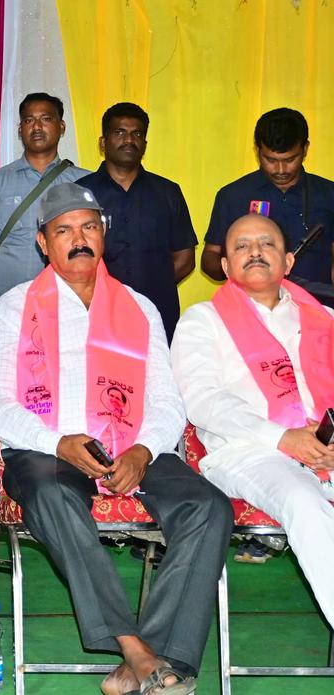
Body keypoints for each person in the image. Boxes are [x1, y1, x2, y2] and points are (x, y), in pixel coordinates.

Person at [0, 182, 233, 695]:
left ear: (103, 234)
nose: (79, 239)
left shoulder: (139, 307)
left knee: (209, 507)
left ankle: (156, 661)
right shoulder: (14, 309)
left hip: (133, 444)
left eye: (89, 227)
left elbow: (166, 399)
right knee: (50, 494)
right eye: (63, 230)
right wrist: (56, 443)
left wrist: (143, 448)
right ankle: (134, 647)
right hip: (50, 450)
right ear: (44, 244)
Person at [173, 213, 334, 622]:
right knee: (303, 501)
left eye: (267, 244)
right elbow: (204, 401)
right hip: (246, 452)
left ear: (288, 262)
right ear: (225, 266)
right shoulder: (201, 321)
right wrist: (284, 437)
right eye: (241, 246)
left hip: (324, 446)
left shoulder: (323, 320)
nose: (255, 252)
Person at [0, 92, 88, 544]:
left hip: (70, 320)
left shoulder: (84, 184)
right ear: (19, 128)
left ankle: (67, 496)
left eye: (46, 119)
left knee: (67, 402)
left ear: (61, 127)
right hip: (7, 320)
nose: (37, 127)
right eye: (28, 120)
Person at [77, 103, 196, 340]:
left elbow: (185, 258)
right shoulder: (80, 193)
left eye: (137, 134)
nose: (129, 140)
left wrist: (151, 288)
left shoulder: (168, 192)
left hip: (158, 315)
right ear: (103, 143)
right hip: (94, 313)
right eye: (119, 132)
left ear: (145, 144)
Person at [203, 108, 334, 287]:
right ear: (257, 151)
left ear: (305, 149)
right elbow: (211, 255)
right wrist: (234, 267)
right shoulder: (233, 195)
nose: (280, 170)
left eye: (290, 159)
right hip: (251, 307)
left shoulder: (328, 194)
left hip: (317, 306)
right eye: (271, 160)